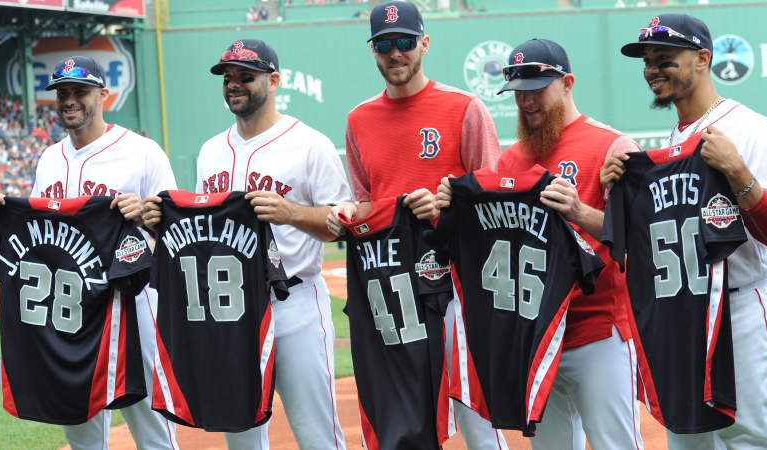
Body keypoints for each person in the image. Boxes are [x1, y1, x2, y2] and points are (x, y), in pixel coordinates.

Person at [142, 38, 351, 450]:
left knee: (316, 436)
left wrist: (290, 212)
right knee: (239, 435)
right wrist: (156, 223)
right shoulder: (211, 151)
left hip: (294, 304)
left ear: (273, 81)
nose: (234, 84)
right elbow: (202, 235)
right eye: (227, 77)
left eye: (246, 76)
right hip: (229, 311)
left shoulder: (310, 144)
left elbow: (341, 224)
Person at [437, 38, 644, 450]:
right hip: (535, 336)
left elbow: (640, 239)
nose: (526, 101)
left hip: (596, 330)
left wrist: (580, 211)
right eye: (518, 91)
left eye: (536, 89)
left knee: (615, 445)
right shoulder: (510, 160)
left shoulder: (612, 146)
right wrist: (452, 207)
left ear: (567, 83)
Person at [326, 2, 508, 448]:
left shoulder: (464, 108)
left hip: (458, 286)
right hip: (394, 293)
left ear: (424, 44)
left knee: (477, 423)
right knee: (405, 419)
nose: (395, 53)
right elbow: (367, 203)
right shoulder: (358, 120)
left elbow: (496, 204)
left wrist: (445, 207)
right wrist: (346, 211)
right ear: (373, 51)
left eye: (405, 42)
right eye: (384, 45)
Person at [0, 56, 179, 450]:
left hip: (132, 309)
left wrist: (143, 219)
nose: (69, 100)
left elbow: (174, 237)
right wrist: (1, 209)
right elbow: (34, 243)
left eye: (80, 91)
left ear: (103, 95)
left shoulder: (142, 152)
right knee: (81, 434)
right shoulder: (49, 159)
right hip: (69, 314)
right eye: (62, 93)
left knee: (152, 434)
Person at [603, 13, 767, 449]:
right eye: (646, 61)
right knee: (686, 437)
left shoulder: (750, 129)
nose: (651, 70)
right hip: (681, 313)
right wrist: (608, 199)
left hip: (739, 307)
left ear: (702, 58)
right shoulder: (671, 142)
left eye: (664, 58)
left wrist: (740, 174)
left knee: (751, 438)